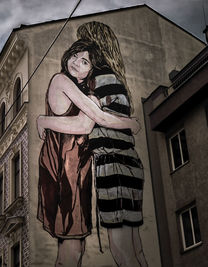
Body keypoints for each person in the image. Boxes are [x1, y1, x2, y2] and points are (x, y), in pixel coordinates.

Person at [37, 21, 148, 267]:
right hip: (123, 162)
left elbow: (88, 123)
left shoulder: (98, 81)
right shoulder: (110, 80)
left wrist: (44, 120)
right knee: (134, 248)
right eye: (76, 53)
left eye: (86, 57)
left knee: (122, 250)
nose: (78, 59)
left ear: (96, 50)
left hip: (111, 163)